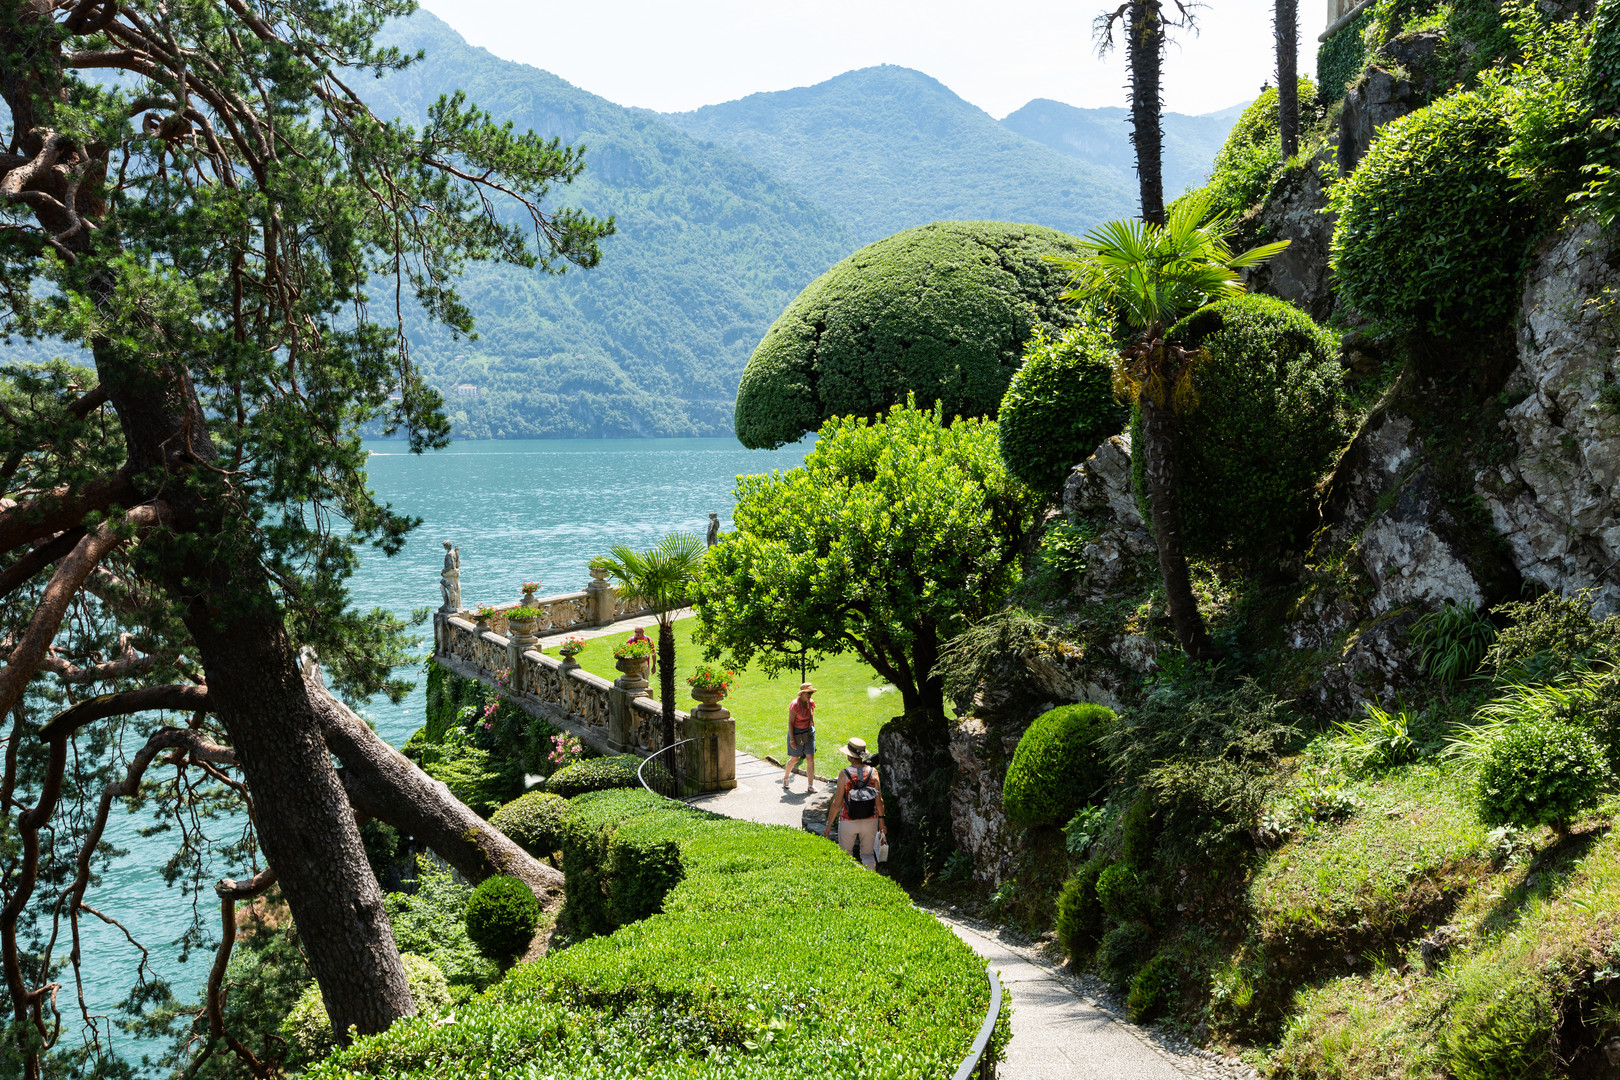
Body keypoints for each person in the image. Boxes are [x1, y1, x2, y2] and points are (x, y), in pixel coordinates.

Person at [824, 738, 885, 869]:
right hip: (870, 819)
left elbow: (837, 803)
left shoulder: (844, 774)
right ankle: (870, 881)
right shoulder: (873, 772)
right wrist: (882, 824)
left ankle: (850, 885)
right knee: (868, 855)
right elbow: (879, 802)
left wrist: (828, 825)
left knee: (846, 856)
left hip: (848, 819)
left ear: (850, 756)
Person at [782, 682, 818, 791]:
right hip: (796, 733)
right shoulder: (795, 704)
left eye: (811, 692)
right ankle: (786, 777)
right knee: (795, 759)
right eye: (808, 692)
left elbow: (811, 717)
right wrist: (792, 740)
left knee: (810, 759)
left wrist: (813, 728)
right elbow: (790, 723)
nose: (810, 694)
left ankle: (810, 785)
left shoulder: (811, 703)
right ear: (802, 693)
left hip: (808, 732)